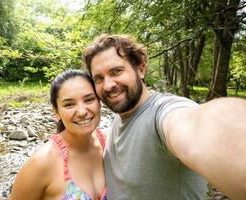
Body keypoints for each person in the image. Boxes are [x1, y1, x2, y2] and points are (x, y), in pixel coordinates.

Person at [82, 34, 246, 200]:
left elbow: (197, 127)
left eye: (116, 71)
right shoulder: (120, 117)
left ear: (140, 68)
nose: (108, 85)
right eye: (99, 78)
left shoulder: (163, 113)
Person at [9, 70, 107, 200]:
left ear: (99, 102)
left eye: (89, 99)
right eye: (69, 104)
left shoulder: (109, 144)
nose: (82, 111)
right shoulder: (41, 164)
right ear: (56, 112)